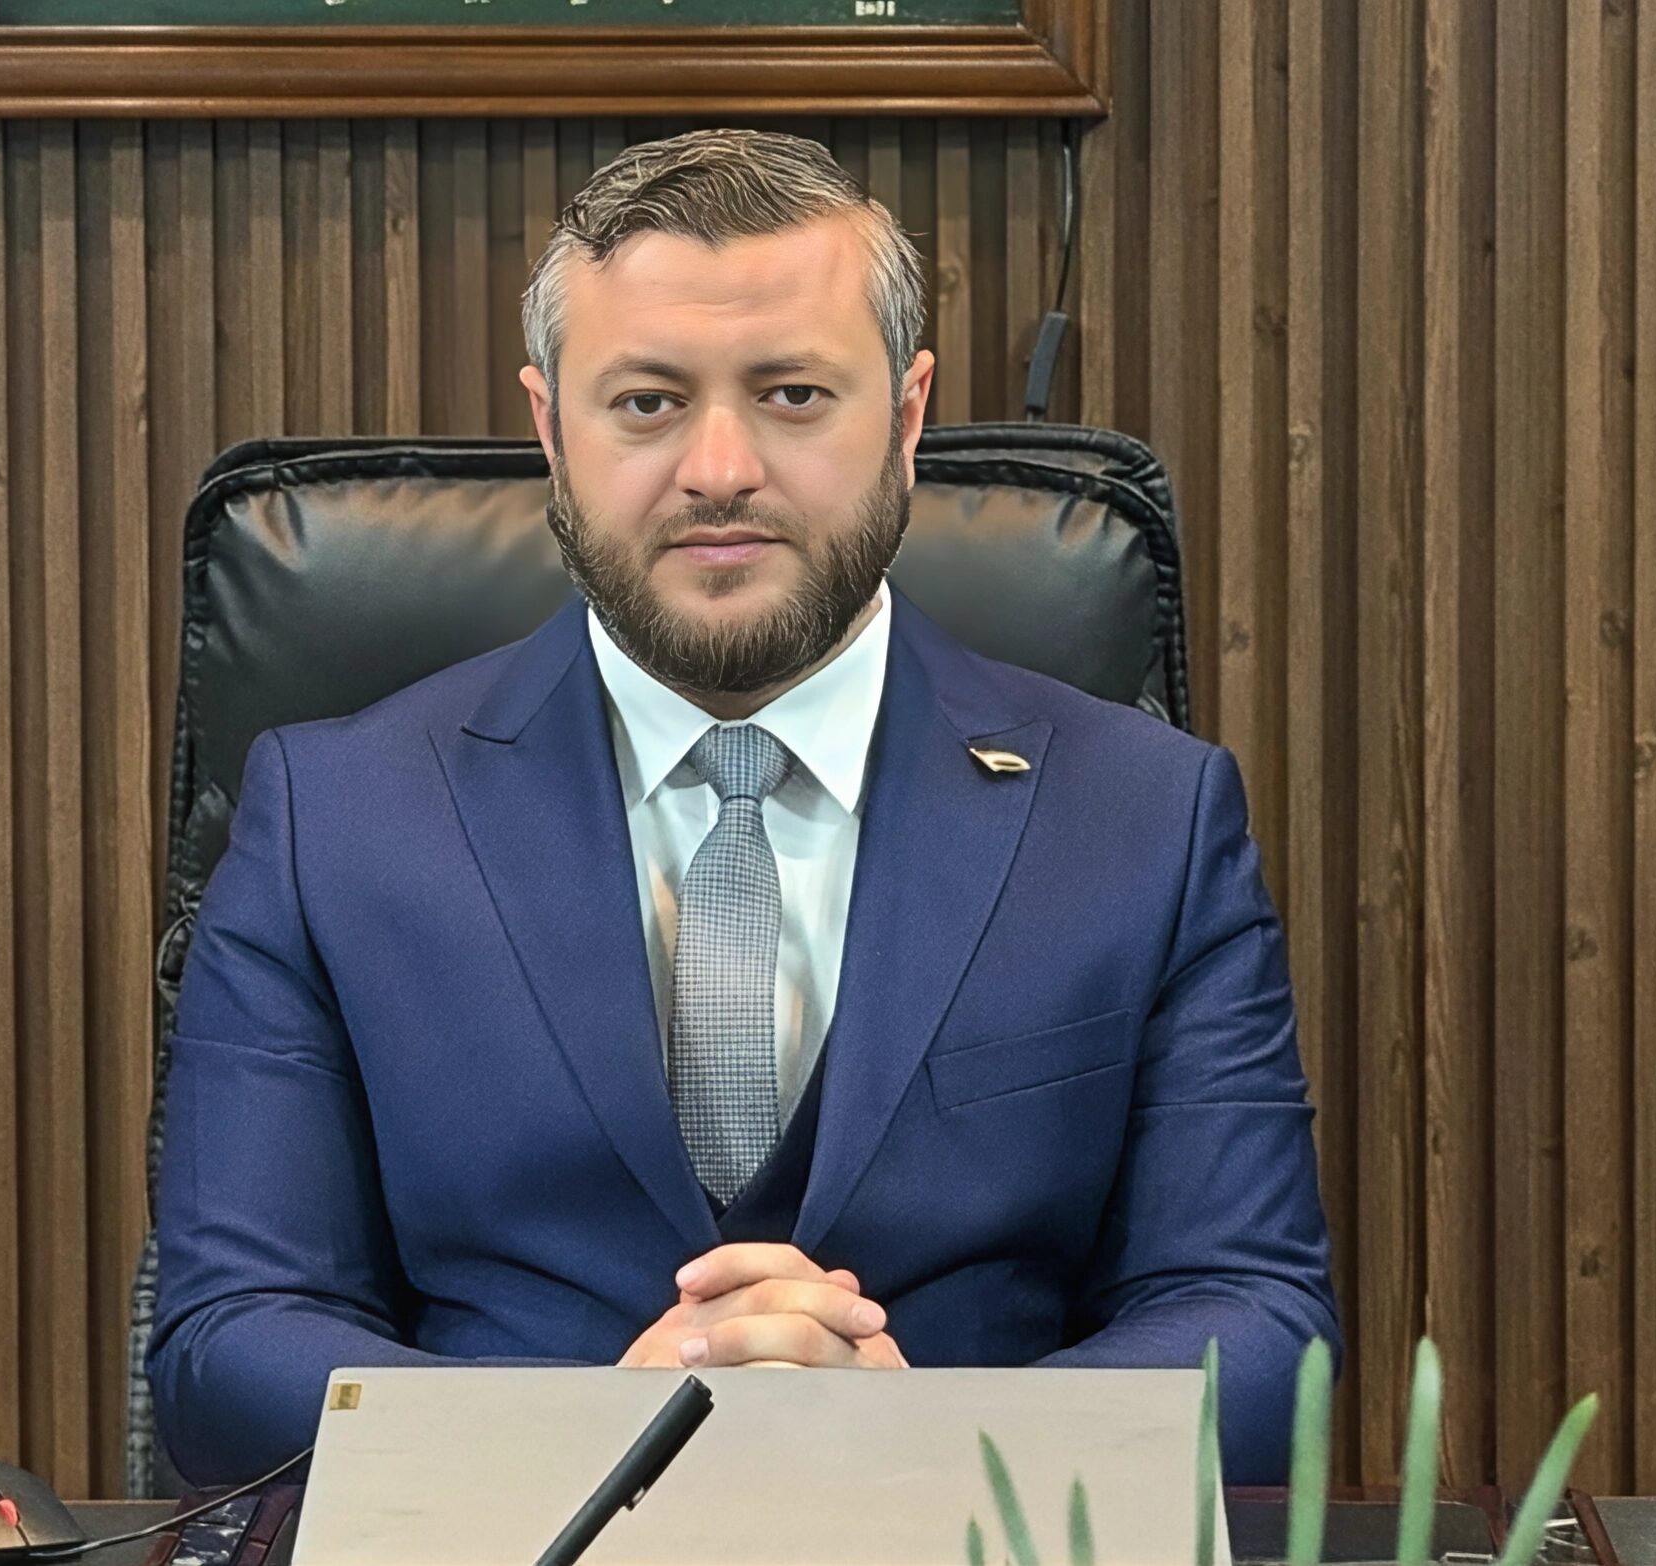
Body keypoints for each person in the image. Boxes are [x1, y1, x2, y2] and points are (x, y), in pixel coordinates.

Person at [147, 128, 1339, 1487]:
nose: (719, 467)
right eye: (647, 403)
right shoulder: (332, 819)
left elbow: (1259, 1331)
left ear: (907, 415)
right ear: (551, 428)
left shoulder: (1146, 818)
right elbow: (224, 1350)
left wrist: (930, 1448)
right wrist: (579, 1445)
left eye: (792, 394)